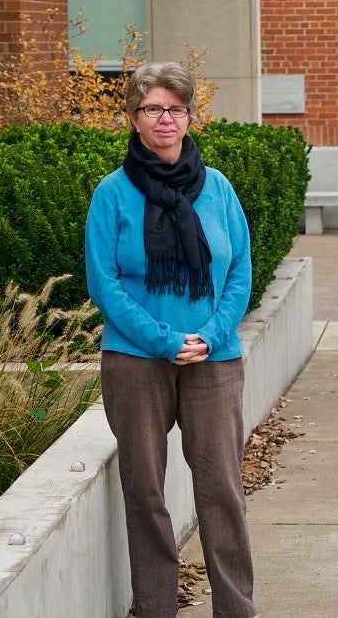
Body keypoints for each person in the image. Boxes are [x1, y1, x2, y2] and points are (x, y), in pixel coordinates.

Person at [86, 62, 258, 618]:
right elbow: (104, 284)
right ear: (134, 119)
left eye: (176, 108)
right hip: (136, 360)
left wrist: (209, 335)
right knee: (146, 493)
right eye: (153, 109)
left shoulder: (219, 188)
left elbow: (240, 274)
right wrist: (163, 340)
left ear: (188, 116)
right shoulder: (112, 194)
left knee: (222, 493)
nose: (166, 119)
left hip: (213, 359)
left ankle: (235, 609)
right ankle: (155, 608)